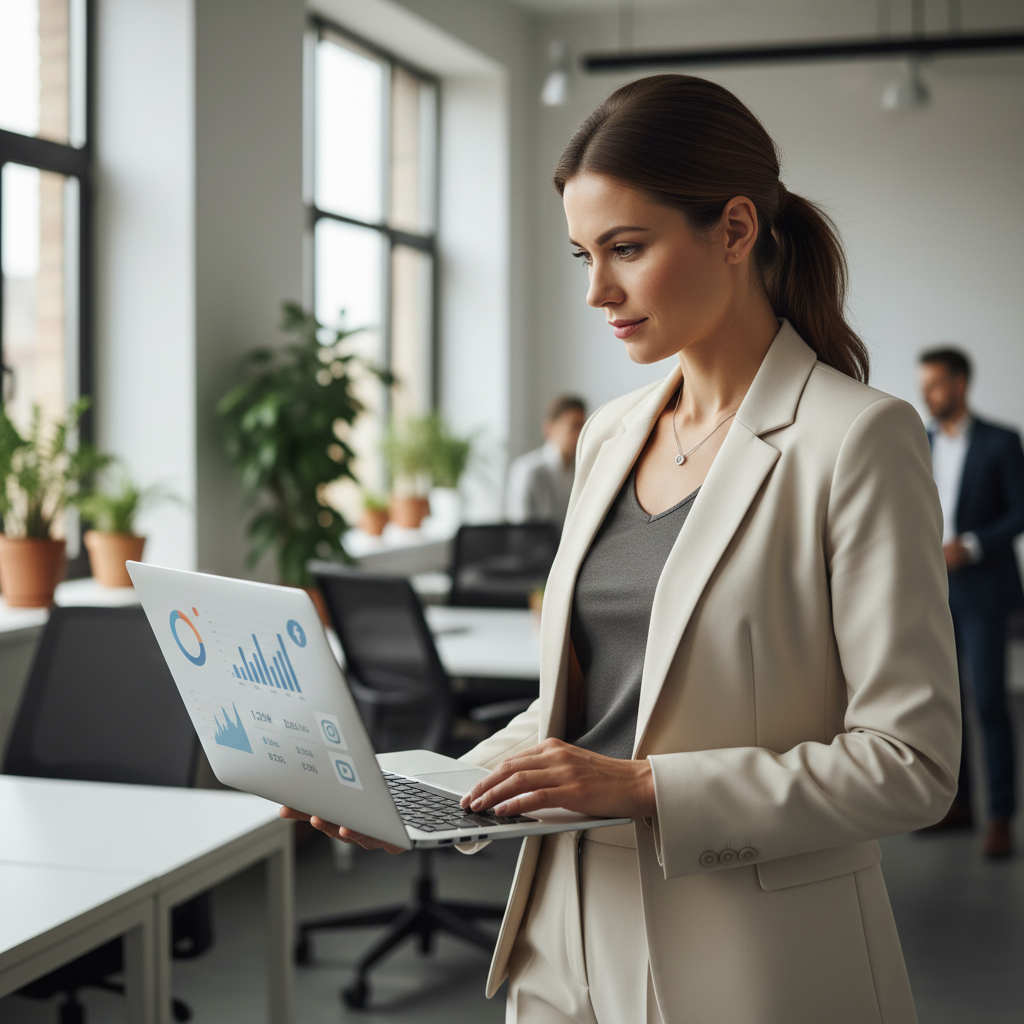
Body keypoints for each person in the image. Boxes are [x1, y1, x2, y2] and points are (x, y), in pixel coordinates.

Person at [282, 75, 960, 1023]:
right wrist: (424, 795)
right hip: (562, 930)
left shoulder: (857, 440)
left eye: (626, 249)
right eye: (582, 255)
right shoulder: (609, 434)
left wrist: (647, 789)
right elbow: (582, 714)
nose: (598, 290)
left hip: (750, 953)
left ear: (733, 231)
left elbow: (910, 763)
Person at [918, 347, 1024, 858]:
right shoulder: (918, 439)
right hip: (933, 589)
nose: (926, 394)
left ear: (959, 385)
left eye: (935, 384)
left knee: (987, 702)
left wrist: (973, 545)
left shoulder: (1002, 442)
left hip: (984, 588)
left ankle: (1000, 815)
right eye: (924, 384)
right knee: (947, 704)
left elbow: (1019, 512)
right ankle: (957, 806)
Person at [505, 395, 587, 529]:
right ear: (549, 428)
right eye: (574, 427)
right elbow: (520, 527)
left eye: (583, 427)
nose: (580, 435)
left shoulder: (583, 469)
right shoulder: (527, 469)